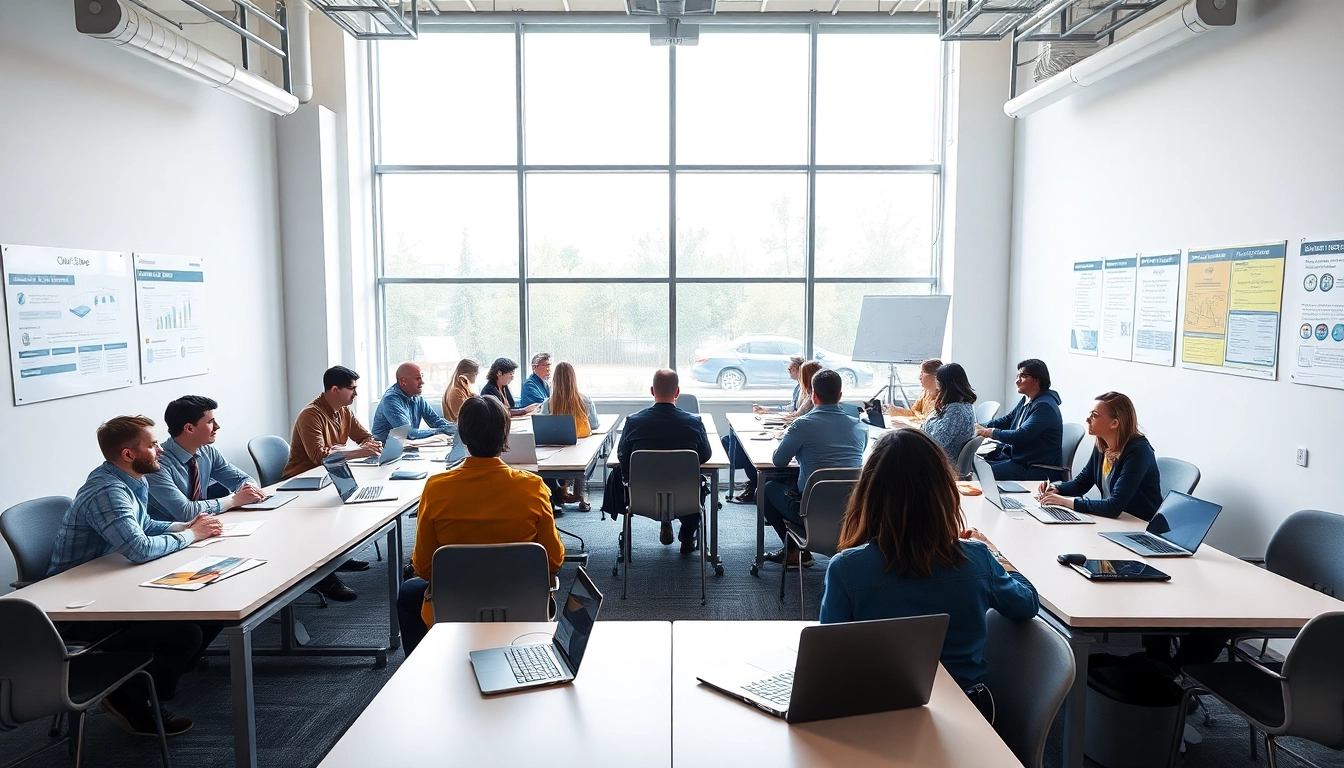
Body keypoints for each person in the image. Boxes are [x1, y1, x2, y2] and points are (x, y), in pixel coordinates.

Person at [819, 428, 1040, 721]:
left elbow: (828, 658)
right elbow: (1027, 604)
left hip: (877, 713)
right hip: (968, 712)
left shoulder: (846, 568)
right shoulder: (976, 559)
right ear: (943, 492)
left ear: (869, 493)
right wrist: (996, 554)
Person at [49, 415, 225, 737]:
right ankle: (129, 699)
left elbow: (141, 527)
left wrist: (184, 527)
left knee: (212, 614)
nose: (160, 450)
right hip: (80, 605)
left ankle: (148, 682)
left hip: (113, 582)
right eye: (153, 444)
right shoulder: (108, 491)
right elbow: (140, 548)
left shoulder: (132, 478)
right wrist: (192, 537)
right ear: (129, 454)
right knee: (185, 635)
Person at [396, 396, 564, 655]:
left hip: (454, 605)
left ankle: (420, 666)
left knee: (408, 593)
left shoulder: (436, 488)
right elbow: (553, 561)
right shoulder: (532, 487)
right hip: (522, 603)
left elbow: (424, 568)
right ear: (505, 435)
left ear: (462, 435)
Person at [283, 365, 384, 601]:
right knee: (331, 514)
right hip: (304, 482)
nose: (356, 395)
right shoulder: (311, 414)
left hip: (333, 476)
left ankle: (339, 558)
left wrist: (369, 445)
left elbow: (365, 437)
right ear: (335, 389)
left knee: (352, 504)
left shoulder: (344, 411)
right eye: (352, 389)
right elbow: (319, 456)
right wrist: (357, 453)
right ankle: (324, 579)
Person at [762, 369, 867, 568]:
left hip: (812, 514)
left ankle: (793, 551)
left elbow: (779, 461)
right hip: (854, 514)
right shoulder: (860, 427)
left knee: (766, 490)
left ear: (813, 396)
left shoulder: (802, 425)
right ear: (840, 395)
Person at [602, 369, 711, 554]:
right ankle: (687, 536)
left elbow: (622, 456)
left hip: (642, 496)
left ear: (652, 391)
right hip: (685, 495)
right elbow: (706, 455)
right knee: (693, 482)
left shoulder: (633, 422)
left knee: (662, 480)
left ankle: (666, 522)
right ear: (677, 392)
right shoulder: (694, 422)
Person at [1037, 392, 1162, 521]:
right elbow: (1081, 484)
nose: (1087, 419)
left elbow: (1114, 506)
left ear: (1114, 423)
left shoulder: (1139, 452)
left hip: (1139, 525)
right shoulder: (1102, 445)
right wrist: (1055, 489)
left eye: (1094, 415)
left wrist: (1065, 502)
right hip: (1116, 522)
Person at [148, 395, 267, 522]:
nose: (217, 426)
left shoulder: (207, 451)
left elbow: (242, 479)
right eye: (210, 422)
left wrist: (249, 489)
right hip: (171, 534)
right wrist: (233, 500)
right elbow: (185, 512)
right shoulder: (157, 465)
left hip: (204, 527)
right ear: (189, 429)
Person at [723, 361, 821, 505]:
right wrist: (768, 410)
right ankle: (754, 484)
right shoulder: (855, 427)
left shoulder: (809, 410)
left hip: (806, 493)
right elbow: (793, 411)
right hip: (828, 495)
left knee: (746, 450)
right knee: (734, 442)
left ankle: (756, 485)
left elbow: (779, 460)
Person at [974, 358, 1064, 481]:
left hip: (1034, 468)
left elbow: (1021, 435)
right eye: (1018, 376)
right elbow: (1007, 420)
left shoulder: (1045, 406)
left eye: (1023, 376)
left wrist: (991, 432)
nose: (1017, 381)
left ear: (1037, 379)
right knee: (974, 465)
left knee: (979, 474)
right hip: (1018, 459)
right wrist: (978, 425)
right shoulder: (1028, 399)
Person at [539, 361, 601, 511]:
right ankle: (581, 493)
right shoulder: (584, 400)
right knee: (594, 455)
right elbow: (594, 425)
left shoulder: (549, 403)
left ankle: (558, 491)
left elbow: (542, 427)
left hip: (555, 450)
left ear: (554, 380)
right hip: (580, 449)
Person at [371, 361, 456, 442]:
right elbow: (408, 433)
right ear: (402, 381)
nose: (422, 382)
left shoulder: (416, 397)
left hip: (406, 446)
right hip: (384, 451)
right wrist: (440, 431)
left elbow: (435, 421)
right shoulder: (390, 400)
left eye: (421, 377)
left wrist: (456, 429)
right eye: (417, 379)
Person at [919, 363, 978, 461]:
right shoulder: (964, 405)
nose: (935, 381)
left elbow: (937, 442)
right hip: (938, 456)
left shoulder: (956, 411)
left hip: (940, 462)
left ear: (944, 383)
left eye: (937, 379)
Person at [441, 358, 479, 422]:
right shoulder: (456, 393)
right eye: (476, 374)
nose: (477, 376)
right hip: (459, 429)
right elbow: (464, 418)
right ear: (465, 375)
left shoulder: (462, 387)